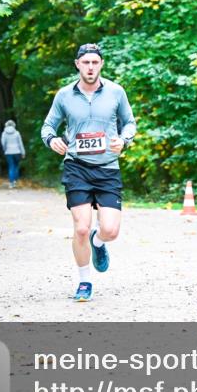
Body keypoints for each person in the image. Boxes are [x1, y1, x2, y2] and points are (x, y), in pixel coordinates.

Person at [41, 43, 136, 302]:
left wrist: (124, 140)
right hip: (77, 167)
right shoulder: (64, 95)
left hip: (107, 169)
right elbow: (48, 126)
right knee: (80, 228)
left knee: (110, 230)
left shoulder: (116, 92)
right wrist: (51, 140)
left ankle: (99, 242)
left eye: (95, 62)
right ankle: (84, 282)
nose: (91, 67)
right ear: (77, 64)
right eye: (86, 63)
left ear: (101, 64)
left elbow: (129, 123)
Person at [1, 120, 26, 188]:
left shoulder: (4, 133)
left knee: (11, 167)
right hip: (17, 152)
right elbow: (20, 143)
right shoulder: (17, 133)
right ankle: (15, 180)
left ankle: (11, 182)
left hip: (8, 152)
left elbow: (3, 144)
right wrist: (23, 152)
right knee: (16, 166)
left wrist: (4, 150)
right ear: (13, 125)